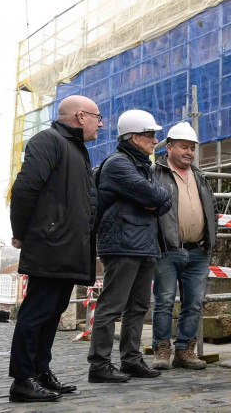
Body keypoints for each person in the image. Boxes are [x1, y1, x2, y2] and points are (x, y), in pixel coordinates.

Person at [9, 95, 103, 402]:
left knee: (51, 313)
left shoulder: (76, 148)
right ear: (80, 116)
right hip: (50, 245)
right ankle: (23, 379)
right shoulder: (48, 141)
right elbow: (25, 188)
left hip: (68, 247)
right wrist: (21, 233)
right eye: (97, 117)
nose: (100, 123)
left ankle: (40, 371)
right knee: (37, 313)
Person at [88, 109, 172, 383]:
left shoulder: (139, 165)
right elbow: (154, 194)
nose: (154, 139)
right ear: (134, 137)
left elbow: (164, 199)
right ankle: (99, 365)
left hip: (143, 244)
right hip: (123, 245)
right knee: (111, 306)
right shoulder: (119, 164)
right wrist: (152, 199)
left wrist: (154, 199)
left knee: (137, 307)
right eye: (150, 135)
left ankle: (131, 360)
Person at [150, 122, 218, 370]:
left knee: (194, 303)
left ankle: (184, 351)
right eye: (183, 147)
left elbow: (212, 209)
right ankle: (161, 350)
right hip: (168, 250)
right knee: (164, 301)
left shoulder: (200, 176)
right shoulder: (155, 173)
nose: (189, 152)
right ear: (169, 148)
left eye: (192, 148)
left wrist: (211, 240)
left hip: (198, 250)